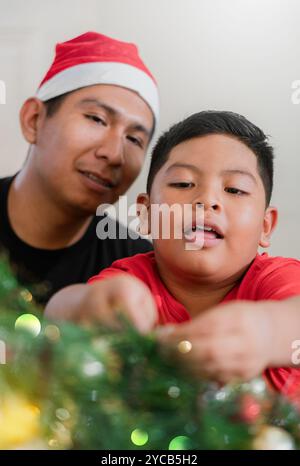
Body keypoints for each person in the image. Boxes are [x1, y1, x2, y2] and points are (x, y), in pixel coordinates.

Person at [45, 111, 300, 401]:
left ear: (265, 226)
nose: (208, 200)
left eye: (235, 189)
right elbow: (58, 311)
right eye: (183, 184)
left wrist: (266, 332)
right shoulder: (131, 282)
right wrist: (90, 305)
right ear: (146, 214)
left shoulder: (276, 280)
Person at [0, 31, 159, 304]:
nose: (113, 154)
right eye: (96, 119)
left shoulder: (137, 271)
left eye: (134, 139)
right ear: (34, 119)